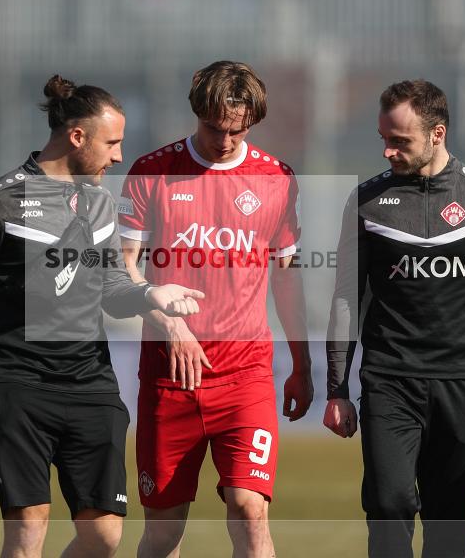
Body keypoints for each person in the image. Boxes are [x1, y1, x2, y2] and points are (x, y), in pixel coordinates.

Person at [0, 74, 204, 558]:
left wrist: (152, 295)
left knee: (105, 535)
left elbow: (112, 291)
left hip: (91, 383)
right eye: (112, 143)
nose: (118, 156)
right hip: (19, 384)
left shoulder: (99, 204)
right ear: (77, 137)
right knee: (27, 531)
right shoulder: (0, 201)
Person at [324, 79, 465, 558]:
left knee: (450, 518)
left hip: (464, 382)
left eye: (399, 141)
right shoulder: (364, 202)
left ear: (437, 134)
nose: (387, 151)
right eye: (383, 138)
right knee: (388, 504)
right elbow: (344, 297)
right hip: (389, 381)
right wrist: (337, 389)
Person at [119, 60, 314, 558]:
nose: (225, 140)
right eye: (213, 127)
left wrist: (302, 363)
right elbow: (122, 272)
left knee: (250, 510)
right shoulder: (151, 173)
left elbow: (287, 280)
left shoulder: (276, 179)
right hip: (169, 375)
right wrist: (169, 323)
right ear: (196, 112)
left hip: (245, 376)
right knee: (164, 533)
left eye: (238, 130)